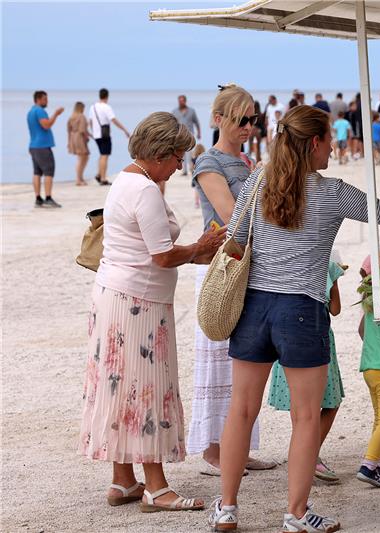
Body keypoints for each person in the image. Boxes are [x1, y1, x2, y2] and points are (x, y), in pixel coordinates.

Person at [208, 105, 380, 533]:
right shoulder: (333, 192)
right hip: (301, 310)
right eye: (330, 141)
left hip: (254, 308)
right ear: (316, 142)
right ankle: (297, 514)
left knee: (241, 412)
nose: (335, 148)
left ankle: (227, 509)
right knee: (306, 418)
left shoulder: (257, 181)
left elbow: (233, 241)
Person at [78, 111, 226, 512]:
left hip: (115, 295)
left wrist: (197, 250)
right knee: (147, 387)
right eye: (178, 157)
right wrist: (202, 249)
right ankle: (157, 488)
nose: (180, 165)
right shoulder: (144, 190)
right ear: (160, 153)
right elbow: (161, 257)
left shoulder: (127, 179)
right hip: (138, 304)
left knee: (118, 385)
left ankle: (123, 479)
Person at [188, 84, 274, 477]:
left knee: (242, 360)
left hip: (248, 266)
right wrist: (262, 184)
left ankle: (236, 446)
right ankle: (213, 450)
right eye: (241, 119)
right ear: (219, 119)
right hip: (222, 269)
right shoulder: (209, 163)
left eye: (252, 119)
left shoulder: (246, 161)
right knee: (218, 361)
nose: (248, 127)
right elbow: (230, 216)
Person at [267, 257, 346, 483]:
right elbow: (336, 309)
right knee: (331, 404)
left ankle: (304, 457)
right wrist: (336, 280)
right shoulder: (328, 262)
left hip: (283, 337)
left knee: (299, 407)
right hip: (317, 339)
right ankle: (309, 457)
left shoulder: (283, 260)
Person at [355, 257, 380, 488]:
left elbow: (361, 331)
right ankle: (368, 466)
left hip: (369, 368)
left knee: (379, 418)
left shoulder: (369, 303)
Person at [27, 90, 64, 207]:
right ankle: (48, 197)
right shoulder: (39, 111)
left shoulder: (30, 111)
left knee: (37, 172)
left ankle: (38, 198)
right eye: (45, 99)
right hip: (42, 146)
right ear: (38, 99)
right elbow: (46, 125)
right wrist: (56, 114)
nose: (47, 101)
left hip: (33, 146)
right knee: (48, 171)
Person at [90, 88, 130, 185]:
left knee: (101, 154)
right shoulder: (106, 107)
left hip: (96, 135)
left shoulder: (93, 107)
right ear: (107, 96)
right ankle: (103, 179)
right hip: (104, 134)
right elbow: (113, 120)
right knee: (105, 155)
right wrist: (124, 129)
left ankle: (99, 174)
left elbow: (90, 121)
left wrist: (93, 132)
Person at [172, 95, 202, 175]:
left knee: (189, 152)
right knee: (181, 153)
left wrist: (199, 133)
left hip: (190, 134)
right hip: (179, 135)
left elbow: (196, 122)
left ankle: (191, 169)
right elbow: (172, 123)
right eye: (179, 101)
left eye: (182, 101)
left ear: (185, 101)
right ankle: (184, 170)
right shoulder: (174, 111)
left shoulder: (191, 111)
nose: (181, 102)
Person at [67, 101, 91, 187]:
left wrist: (69, 142)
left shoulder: (71, 117)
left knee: (82, 158)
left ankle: (80, 178)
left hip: (73, 137)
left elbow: (69, 130)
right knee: (82, 159)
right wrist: (87, 137)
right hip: (80, 138)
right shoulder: (81, 116)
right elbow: (82, 130)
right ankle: (78, 179)